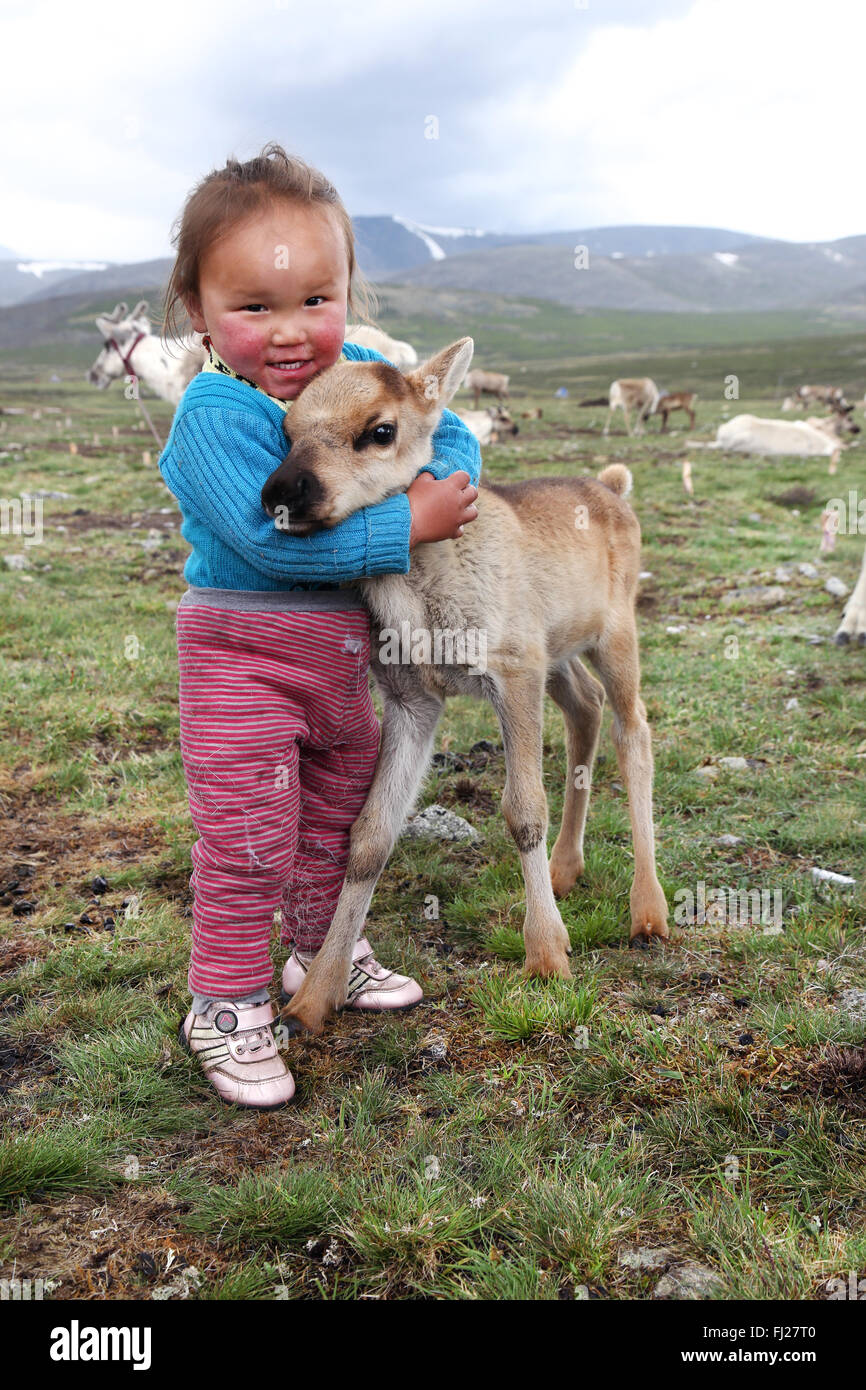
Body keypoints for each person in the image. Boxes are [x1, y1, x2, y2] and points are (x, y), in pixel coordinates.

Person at [158, 143, 480, 1108]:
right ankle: (222, 1000)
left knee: (337, 814)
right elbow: (275, 548)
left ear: (346, 291)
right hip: (239, 660)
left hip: (344, 664)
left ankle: (321, 950)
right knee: (250, 832)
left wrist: (433, 440)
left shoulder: (351, 379)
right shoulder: (213, 418)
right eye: (254, 307)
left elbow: (442, 429)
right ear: (199, 311)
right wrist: (406, 522)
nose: (291, 331)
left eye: (315, 300)